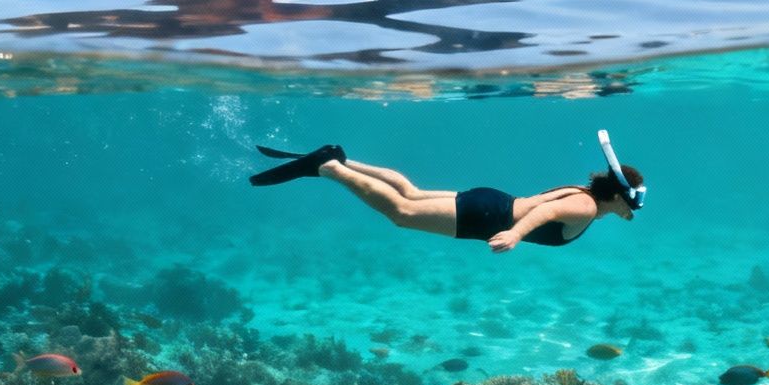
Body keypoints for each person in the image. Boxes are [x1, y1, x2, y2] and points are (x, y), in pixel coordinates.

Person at [250, 130, 645, 253]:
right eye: (633, 202)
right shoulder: (585, 207)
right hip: (490, 218)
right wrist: (515, 235)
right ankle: (329, 168)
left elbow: (543, 202)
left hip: (493, 199)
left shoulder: (582, 190)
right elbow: (544, 215)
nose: (634, 210)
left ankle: (342, 158)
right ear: (616, 195)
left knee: (410, 191)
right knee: (401, 213)